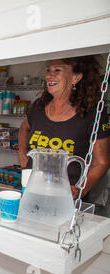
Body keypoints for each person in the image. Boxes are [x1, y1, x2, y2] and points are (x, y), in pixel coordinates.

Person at [18, 55, 109, 215]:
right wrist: (22, 151)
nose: (48, 75)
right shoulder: (38, 107)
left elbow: (101, 162)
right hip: (32, 191)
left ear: (76, 77)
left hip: (65, 198)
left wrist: (81, 189)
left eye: (57, 70)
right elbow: (24, 127)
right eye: (48, 70)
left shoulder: (92, 114)